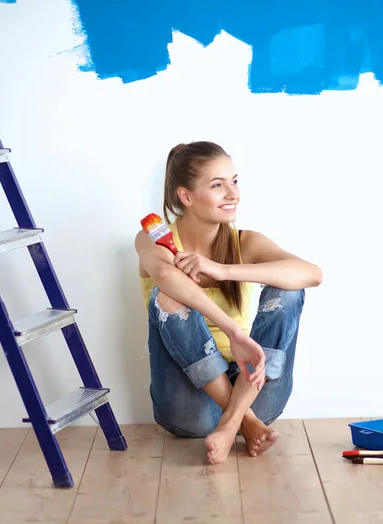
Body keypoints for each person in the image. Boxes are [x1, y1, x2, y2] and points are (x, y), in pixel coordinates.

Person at [135, 141, 322, 465]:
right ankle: (243, 421)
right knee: (166, 296)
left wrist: (222, 270)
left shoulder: (245, 242)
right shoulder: (154, 241)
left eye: (234, 181)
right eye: (218, 185)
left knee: (290, 289)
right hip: (188, 404)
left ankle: (234, 419)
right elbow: (164, 274)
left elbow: (312, 273)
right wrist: (233, 331)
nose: (233, 194)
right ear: (186, 196)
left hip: (254, 384)